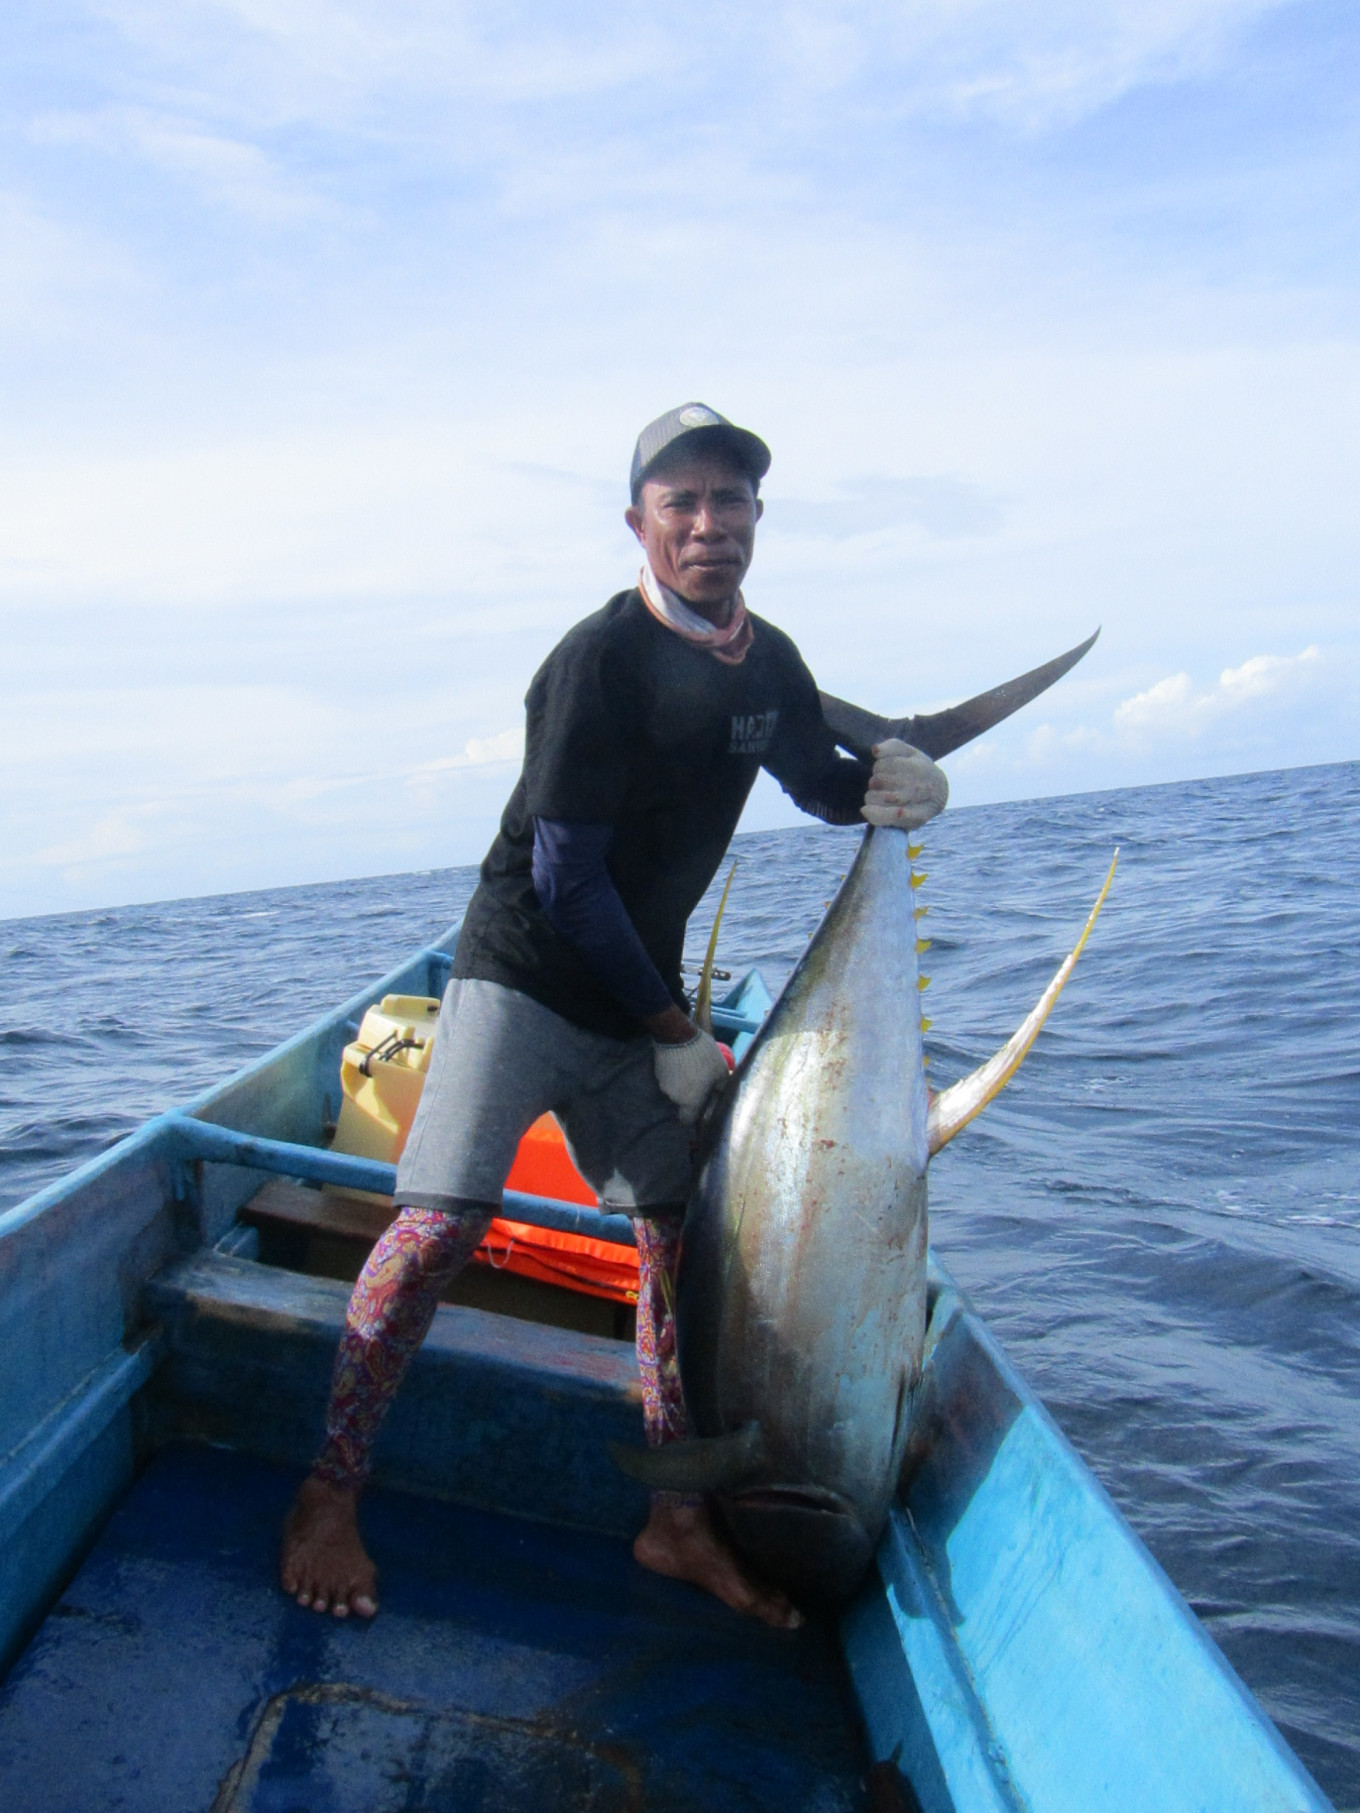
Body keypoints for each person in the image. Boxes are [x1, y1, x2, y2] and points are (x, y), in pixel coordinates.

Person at [279, 402, 948, 1630]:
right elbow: (563, 881)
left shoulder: (774, 662)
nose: (708, 523)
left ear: (756, 517)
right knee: (434, 1231)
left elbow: (819, 785)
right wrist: (672, 1034)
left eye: (729, 500)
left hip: (638, 1008)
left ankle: (675, 1521)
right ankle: (329, 1494)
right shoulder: (597, 663)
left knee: (676, 1251)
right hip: (525, 981)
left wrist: (898, 787)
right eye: (680, 502)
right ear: (637, 523)